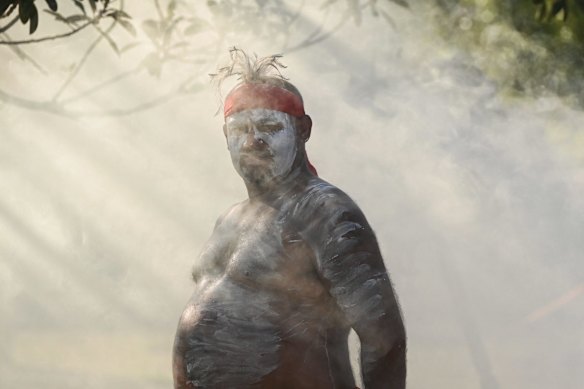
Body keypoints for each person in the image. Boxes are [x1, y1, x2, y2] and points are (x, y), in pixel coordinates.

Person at [172, 49, 406, 389]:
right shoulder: (231, 218)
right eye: (240, 129)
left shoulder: (325, 212)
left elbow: (384, 340)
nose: (253, 141)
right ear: (226, 137)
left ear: (302, 130)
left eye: (269, 126)